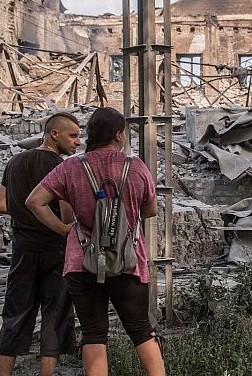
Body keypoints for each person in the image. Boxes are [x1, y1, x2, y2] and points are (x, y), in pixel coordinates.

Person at [26, 107, 165, 376]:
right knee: (140, 330)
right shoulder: (135, 167)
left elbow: (34, 201)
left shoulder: (71, 166)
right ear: (118, 134)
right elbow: (150, 210)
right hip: (128, 262)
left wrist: (64, 229)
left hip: (82, 263)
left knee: (93, 334)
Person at [0, 112, 82, 376]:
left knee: (15, 314)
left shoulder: (14, 162)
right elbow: (67, 215)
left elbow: (0, 205)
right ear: (53, 134)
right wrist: (64, 228)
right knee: (55, 316)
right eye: (73, 135)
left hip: (23, 250)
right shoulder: (63, 167)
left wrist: (26, 215)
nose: (78, 142)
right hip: (56, 250)